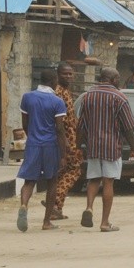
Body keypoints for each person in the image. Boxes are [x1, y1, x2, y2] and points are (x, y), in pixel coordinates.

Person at [77, 67, 134, 233]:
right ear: (114, 80)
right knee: (108, 181)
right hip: (112, 147)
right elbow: (128, 128)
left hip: (93, 146)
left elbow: (81, 126)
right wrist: (133, 148)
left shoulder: (88, 97)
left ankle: (89, 207)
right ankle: (104, 222)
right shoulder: (120, 98)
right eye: (117, 78)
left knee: (94, 179)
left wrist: (78, 147)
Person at [15, 68, 68, 232]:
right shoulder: (57, 102)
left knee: (29, 181)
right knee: (52, 181)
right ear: (54, 81)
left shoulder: (27, 97)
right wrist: (64, 154)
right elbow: (59, 129)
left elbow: (25, 123)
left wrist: (32, 137)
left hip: (33, 144)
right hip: (51, 145)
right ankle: (46, 222)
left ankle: (24, 205)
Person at [52, 63, 83, 221]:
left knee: (63, 173)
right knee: (74, 171)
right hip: (66, 140)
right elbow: (61, 123)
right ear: (58, 74)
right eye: (65, 74)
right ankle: (55, 203)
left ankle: (56, 208)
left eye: (71, 74)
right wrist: (67, 143)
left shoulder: (65, 91)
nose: (69, 77)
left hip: (71, 137)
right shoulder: (58, 93)